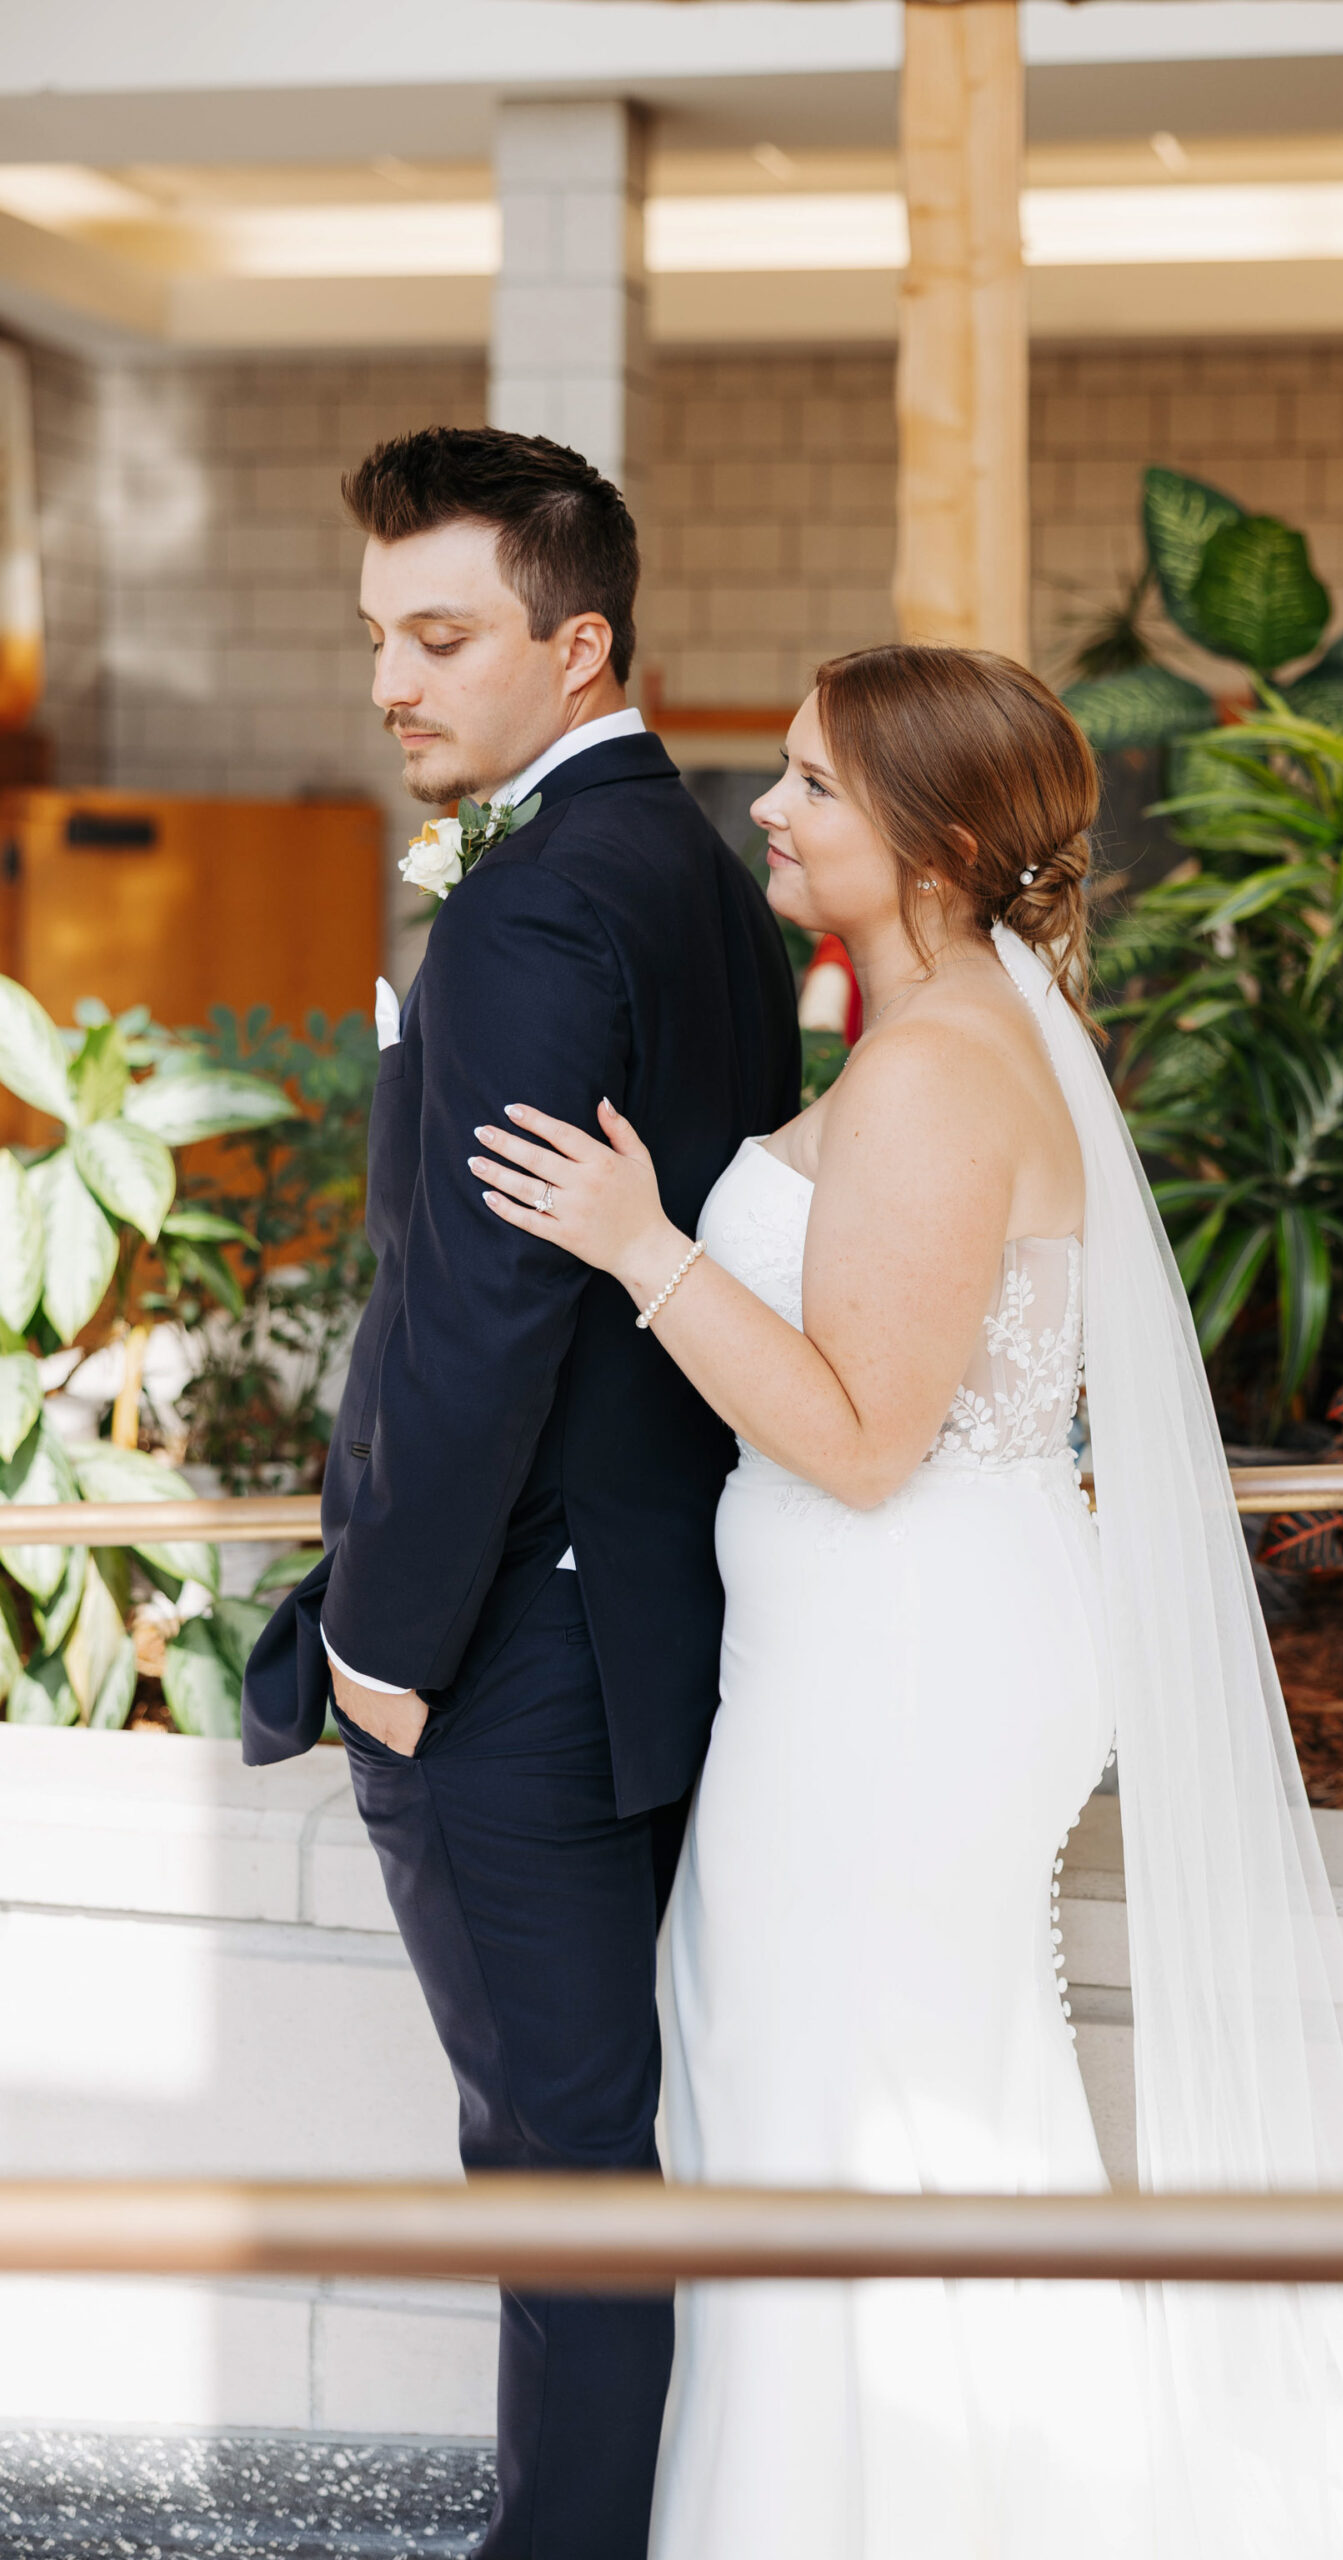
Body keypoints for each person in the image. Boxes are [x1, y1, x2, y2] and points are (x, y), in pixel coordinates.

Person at [472, 644, 1343, 2560]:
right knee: (875, 2086)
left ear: (942, 842)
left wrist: (644, 1246)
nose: (772, 810)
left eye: (815, 785)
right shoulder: (947, 1036)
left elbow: (867, 1431)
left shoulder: (935, 1073)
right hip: (891, 1648)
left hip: (905, 1660)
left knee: (838, 2091)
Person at [239, 425, 800, 2560]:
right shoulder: (696, 882)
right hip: (652, 1618)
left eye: (443, 633)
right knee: (597, 2142)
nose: (393, 678)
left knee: (559, 2153)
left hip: (510, 1648)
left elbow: (476, 1322)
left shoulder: (533, 903)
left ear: (579, 645)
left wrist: (384, 1646)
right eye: (379, 631)